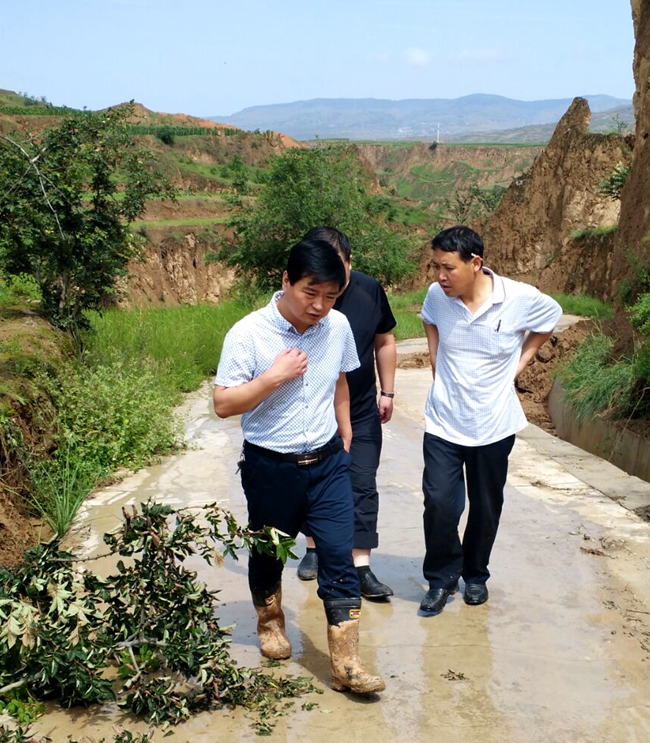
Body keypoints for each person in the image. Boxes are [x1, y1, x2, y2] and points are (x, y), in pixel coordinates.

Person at [213, 238, 384, 694]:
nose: (320, 306)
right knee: (270, 551)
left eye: (331, 296)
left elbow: (340, 379)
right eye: (311, 292)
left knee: (339, 556)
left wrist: (345, 433)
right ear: (286, 280)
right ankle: (270, 623)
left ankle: (346, 663)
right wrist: (273, 377)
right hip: (271, 468)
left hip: (328, 464)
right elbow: (223, 404)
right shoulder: (248, 334)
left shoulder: (338, 325)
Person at [417, 225, 562, 616]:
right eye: (435, 267)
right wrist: (436, 361)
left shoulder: (518, 298)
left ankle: (476, 574)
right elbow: (429, 319)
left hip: (494, 424)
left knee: (485, 505)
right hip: (444, 421)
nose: (440, 276)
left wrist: (519, 364)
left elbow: (551, 316)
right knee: (440, 502)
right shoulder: (437, 296)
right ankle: (441, 578)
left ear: (476, 263)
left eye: (448, 268)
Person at [295, 227, 398, 601]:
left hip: (361, 408)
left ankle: (360, 566)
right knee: (313, 481)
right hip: (313, 410)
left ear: (350, 262)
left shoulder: (369, 291)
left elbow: (384, 339)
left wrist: (387, 391)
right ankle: (313, 547)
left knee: (362, 482)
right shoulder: (304, 296)